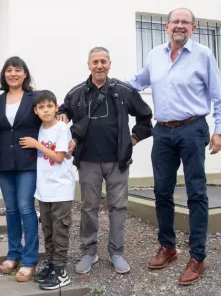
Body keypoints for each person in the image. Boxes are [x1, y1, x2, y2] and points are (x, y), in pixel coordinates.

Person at [126, 7, 221, 285]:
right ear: (166, 26)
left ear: (193, 28)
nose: (180, 26)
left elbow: (219, 95)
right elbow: (139, 81)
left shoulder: (203, 55)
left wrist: (220, 130)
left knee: (196, 193)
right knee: (161, 191)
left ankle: (197, 257)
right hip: (163, 132)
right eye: (176, 22)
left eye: (186, 22)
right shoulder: (155, 56)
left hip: (193, 128)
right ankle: (168, 247)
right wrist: (109, 83)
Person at [57, 47, 153, 275]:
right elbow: (64, 109)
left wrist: (134, 138)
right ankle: (89, 251)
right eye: (95, 62)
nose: (99, 65)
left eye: (103, 61)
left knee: (118, 207)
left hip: (117, 161)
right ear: (88, 65)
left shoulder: (122, 90)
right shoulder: (77, 92)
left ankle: (116, 252)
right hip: (87, 161)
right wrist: (63, 117)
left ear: (110, 64)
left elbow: (145, 116)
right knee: (89, 207)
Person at [0, 56, 41, 281]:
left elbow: (49, 118)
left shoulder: (35, 98)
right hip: (3, 161)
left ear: (25, 74)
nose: (13, 74)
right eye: (9, 70)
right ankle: (13, 254)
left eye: (17, 70)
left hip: (28, 160)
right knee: (11, 210)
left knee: (26, 208)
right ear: (4, 75)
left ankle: (29, 260)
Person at [19, 90, 74, 290]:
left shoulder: (61, 128)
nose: (46, 110)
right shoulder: (40, 128)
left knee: (60, 230)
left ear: (56, 107)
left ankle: (61, 271)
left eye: (49, 106)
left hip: (61, 190)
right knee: (48, 230)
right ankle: (51, 266)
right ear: (35, 111)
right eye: (41, 107)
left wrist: (36, 145)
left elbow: (59, 157)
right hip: (44, 190)